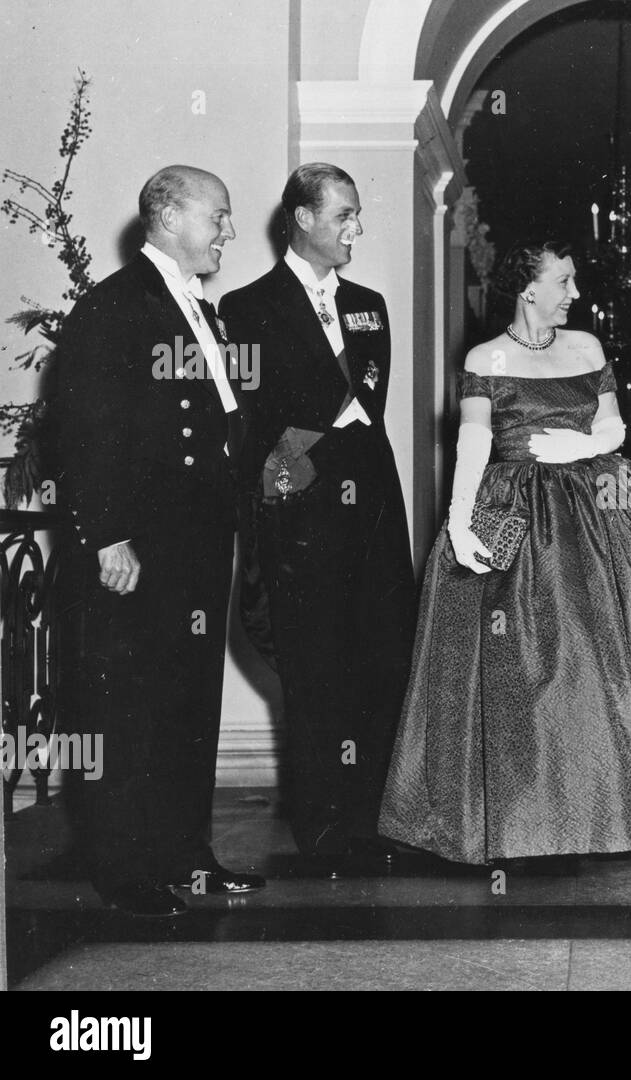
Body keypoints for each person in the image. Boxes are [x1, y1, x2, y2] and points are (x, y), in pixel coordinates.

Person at [379, 240, 631, 864]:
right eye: (564, 281)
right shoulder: (487, 357)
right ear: (528, 287)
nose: (576, 293)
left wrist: (582, 447)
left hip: (594, 511)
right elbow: (474, 442)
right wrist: (458, 517)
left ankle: (608, 819)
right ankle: (518, 825)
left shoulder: (586, 346)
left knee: (596, 662)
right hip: (515, 510)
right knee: (520, 672)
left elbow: (615, 426)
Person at [54, 165, 264, 916]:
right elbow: (84, 431)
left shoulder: (200, 309)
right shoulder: (114, 308)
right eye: (220, 216)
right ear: (170, 217)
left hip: (199, 540)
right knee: (130, 706)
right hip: (138, 546)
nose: (229, 233)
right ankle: (126, 866)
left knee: (187, 700)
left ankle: (186, 854)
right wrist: (108, 535)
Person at [220, 163, 416, 875]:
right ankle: (325, 828)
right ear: (303, 218)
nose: (355, 230)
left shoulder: (369, 305)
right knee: (318, 672)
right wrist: (317, 437)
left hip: (372, 511)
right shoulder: (246, 308)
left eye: (358, 216)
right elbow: (263, 422)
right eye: (343, 217)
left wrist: (328, 424)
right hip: (302, 514)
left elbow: (371, 406)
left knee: (379, 660)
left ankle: (373, 817)